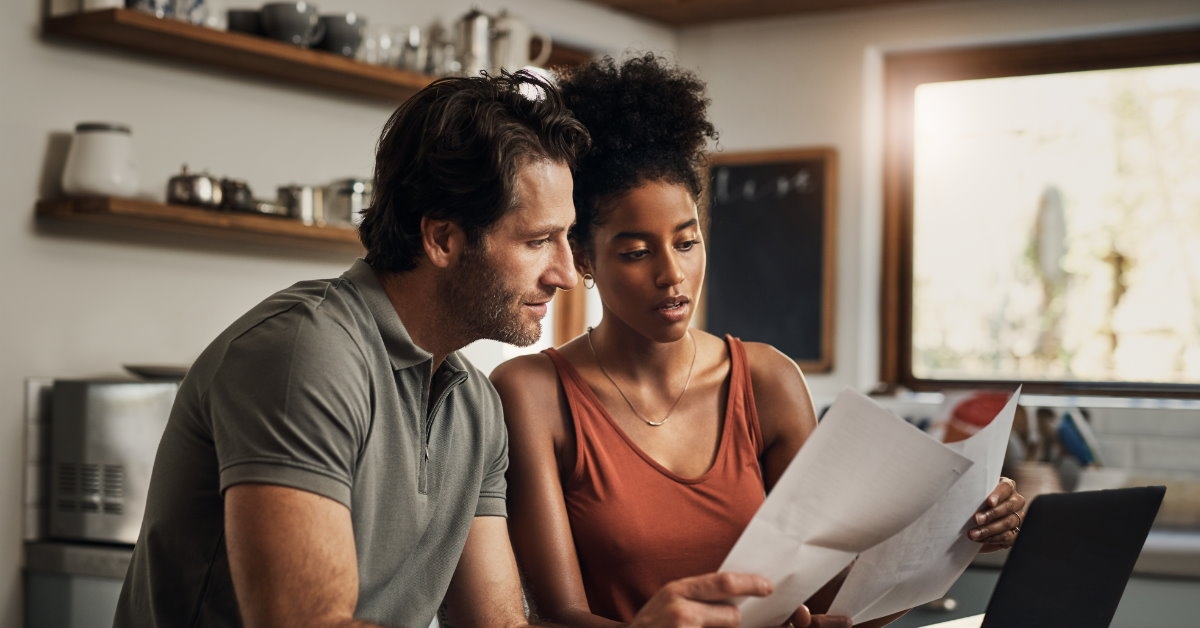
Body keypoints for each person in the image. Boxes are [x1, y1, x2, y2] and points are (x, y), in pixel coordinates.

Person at [114, 70, 782, 628]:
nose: (562, 270)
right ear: (442, 239)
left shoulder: (472, 406)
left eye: (567, 238)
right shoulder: (305, 355)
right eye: (535, 241)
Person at [489, 54, 1027, 628]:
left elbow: (833, 604)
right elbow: (554, 616)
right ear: (581, 257)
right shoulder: (532, 393)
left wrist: (956, 536)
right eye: (636, 252)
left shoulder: (767, 380)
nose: (672, 274)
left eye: (687, 242)